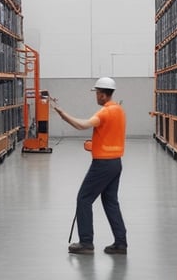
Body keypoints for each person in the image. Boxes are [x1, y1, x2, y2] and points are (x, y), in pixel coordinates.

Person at [53, 76, 128, 255]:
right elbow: (109, 134)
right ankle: (120, 243)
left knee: (84, 199)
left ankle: (86, 243)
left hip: (102, 164)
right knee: (110, 202)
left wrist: (64, 115)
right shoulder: (119, 110)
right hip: (116, 163)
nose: (96, 96)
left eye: (97, 93)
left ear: (102, 95)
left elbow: (82, 125)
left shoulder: (104, 112)